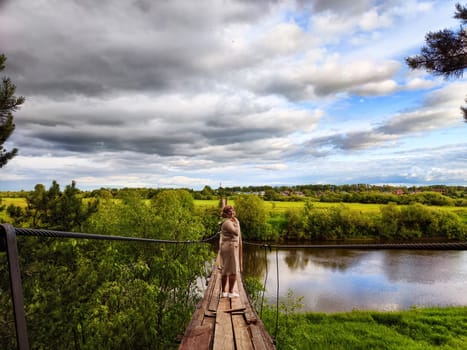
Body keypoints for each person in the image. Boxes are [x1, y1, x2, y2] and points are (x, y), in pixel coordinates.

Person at [219, 205, 243, 298]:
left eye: (233, 211)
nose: (232, 213)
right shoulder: (228, 223)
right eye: (229, 212)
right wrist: (237, 222)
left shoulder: (229, 221)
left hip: (230, 246)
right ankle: (229, 292)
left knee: (226, 269)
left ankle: (225, 292)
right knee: (233, 270)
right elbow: (236, 232)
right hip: (230, 247)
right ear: (225, 214)